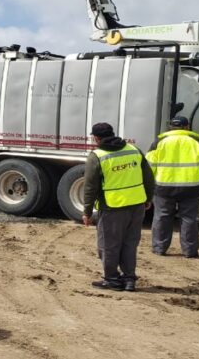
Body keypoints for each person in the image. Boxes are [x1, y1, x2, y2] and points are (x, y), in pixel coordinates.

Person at [82, 122, 154, 292]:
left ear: (96, 138)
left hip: (113, 207)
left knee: (108, 245)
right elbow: (148, 176)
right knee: (130, 244)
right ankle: (129, 280)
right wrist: (148, 197)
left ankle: (112, 280)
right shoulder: (133, 149)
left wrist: (86, 211)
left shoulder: (97, 156)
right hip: (137, 205)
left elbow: (90, 187)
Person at [146, 116, 199, 258]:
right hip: (191, 188)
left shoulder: (159, 142)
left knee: (162, 217)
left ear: (171, 126)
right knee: (188, 218)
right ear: (187, 126)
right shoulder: (198, 142)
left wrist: (148, 186)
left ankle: (159, 248)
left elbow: (149, 167)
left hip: (163, 187)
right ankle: (190, 251)